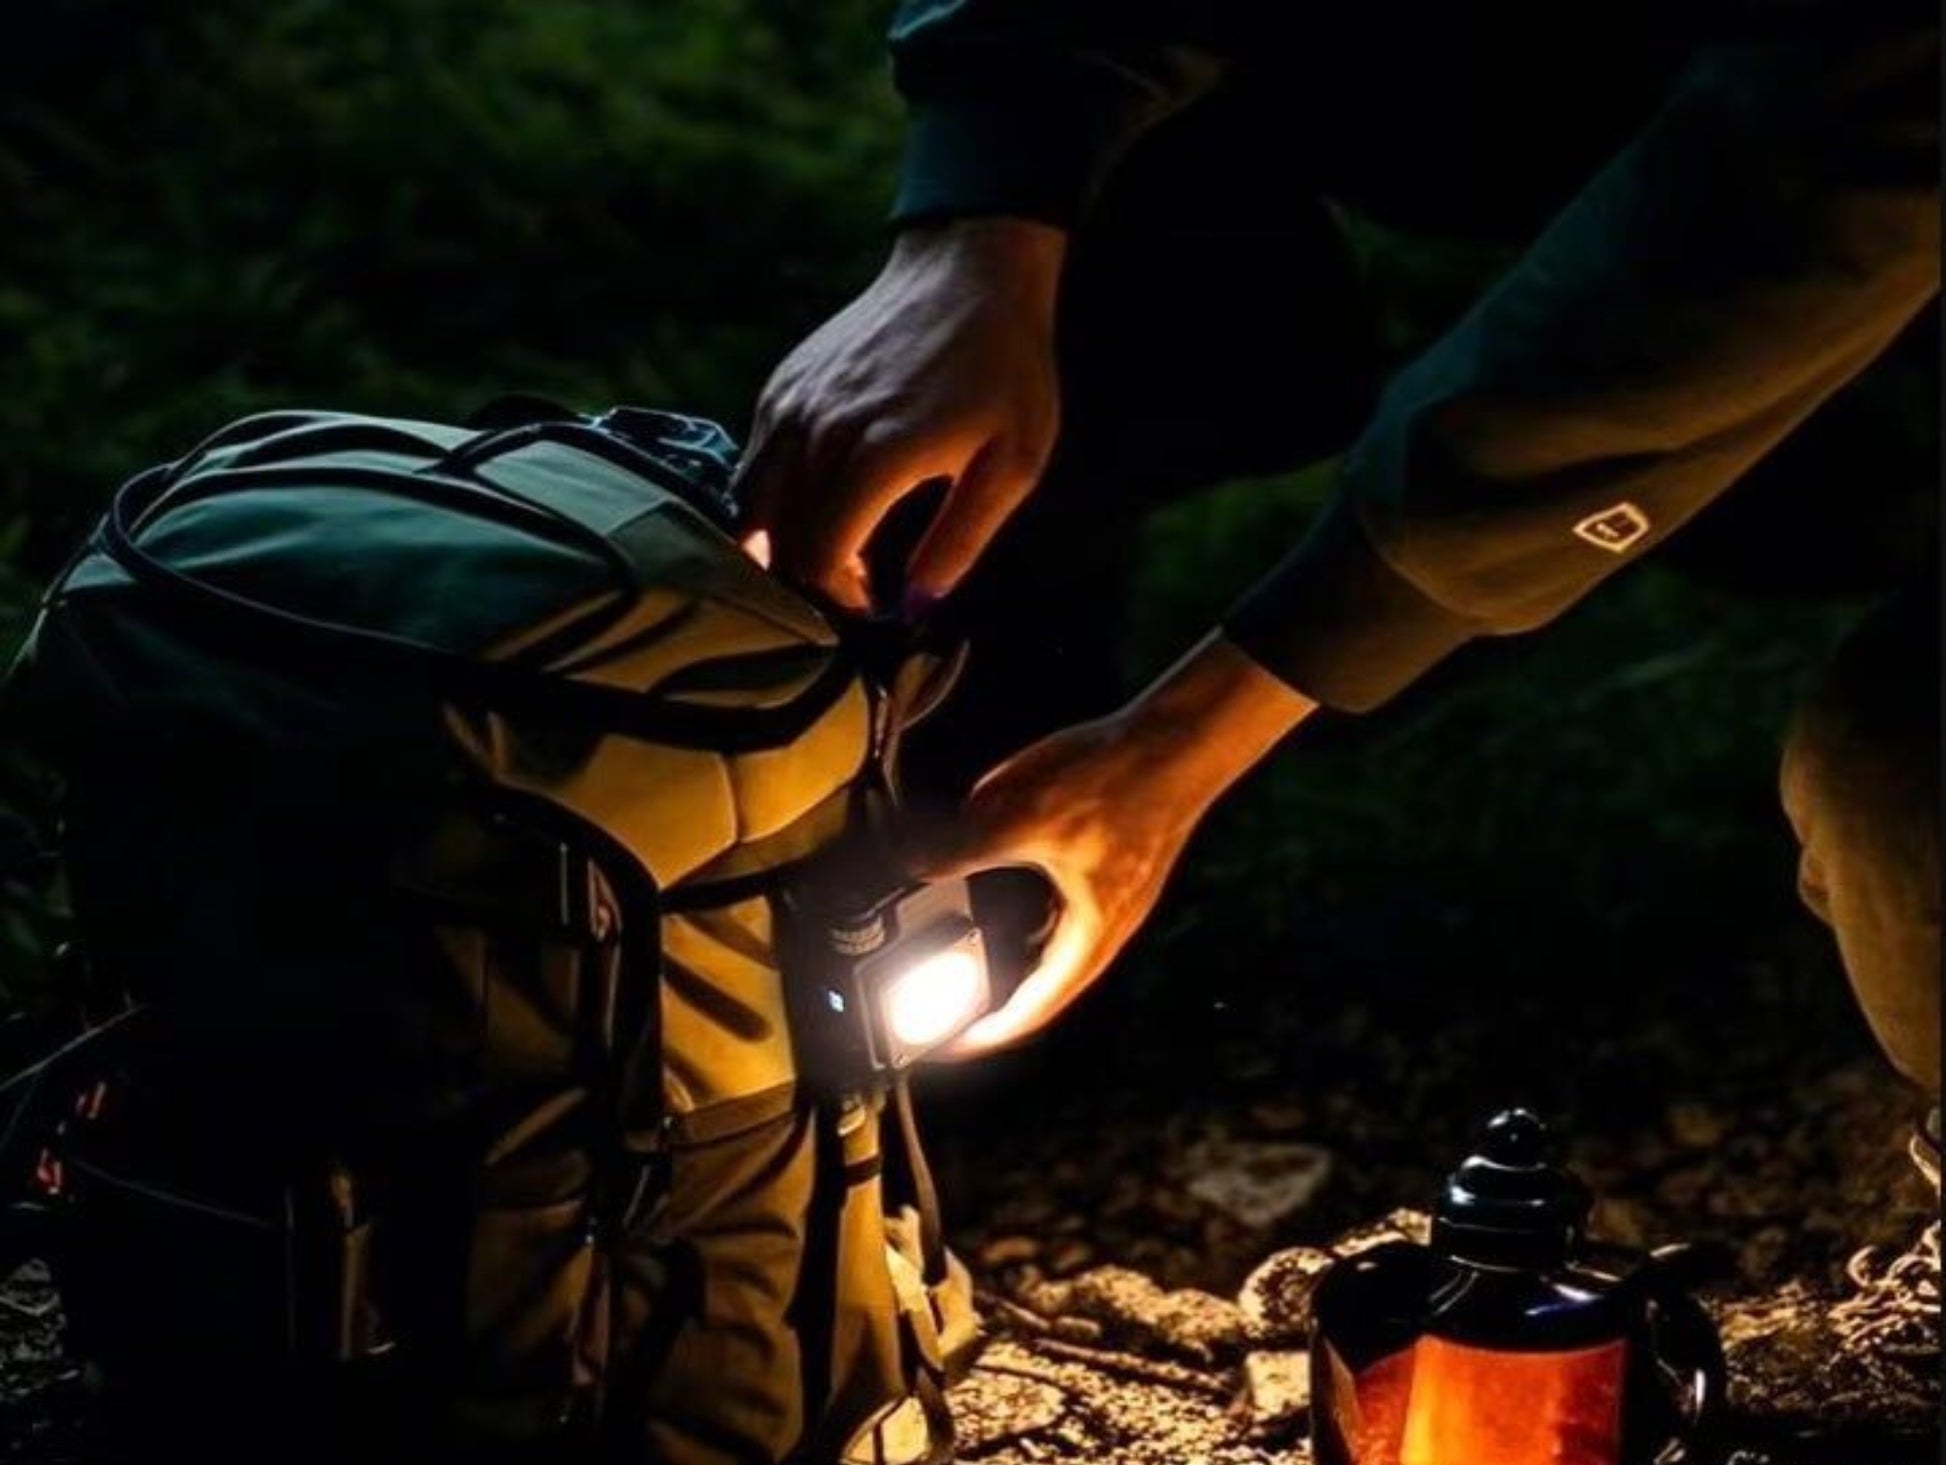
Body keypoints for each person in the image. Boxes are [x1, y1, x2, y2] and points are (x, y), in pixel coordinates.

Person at [739, 7, 1939, 1155]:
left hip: (1855, 184)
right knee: (1089, 143)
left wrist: (1193, 732)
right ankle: (940, 893)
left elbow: (1783, 206)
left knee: (1894, 783)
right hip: (1621, 71)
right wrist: (983, 226)